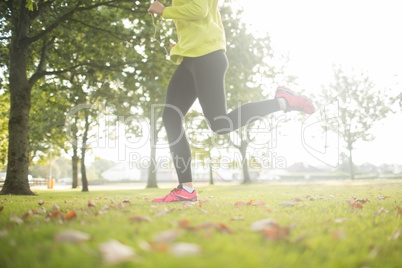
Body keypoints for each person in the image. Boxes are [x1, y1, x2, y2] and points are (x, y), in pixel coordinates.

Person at [148, 0, 314, 203]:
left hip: (206, 57)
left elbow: (199, 10)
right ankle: (186, 189)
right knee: (171, 116)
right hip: (191, 57)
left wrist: (165, 11)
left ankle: (282, 101)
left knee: (220, 123)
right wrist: (181, 45)